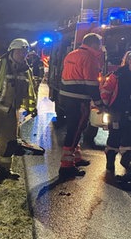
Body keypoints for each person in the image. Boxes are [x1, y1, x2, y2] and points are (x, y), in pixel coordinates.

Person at [0, 38, 39, 179]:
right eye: (19, 51)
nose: (22, 54)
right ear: (11, 51)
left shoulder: (25, 70)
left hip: (12, 112)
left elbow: (30, 90)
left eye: (25, 52)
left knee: (9, 142)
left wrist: (31, 108)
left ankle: (3, 169)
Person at [58, 33, 106, 179]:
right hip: (79, 101)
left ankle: (76, 158)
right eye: (99, 44)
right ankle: (66, 167)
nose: (100, 47)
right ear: (93, 44)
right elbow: (92, 84)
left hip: (66, 98)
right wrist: (99, 103)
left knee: (75, 128)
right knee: (75, 130)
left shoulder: (72, 54)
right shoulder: (90, 58)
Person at [100, 51, 131, 180]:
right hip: (121, 112)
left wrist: (105, 105)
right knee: (125, 139)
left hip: (116, 112)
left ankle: (113, 165)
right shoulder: (116, 75)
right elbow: (106, 92)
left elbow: (105, 92)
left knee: (116, 137)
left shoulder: (115, 75)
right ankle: (122, 165)